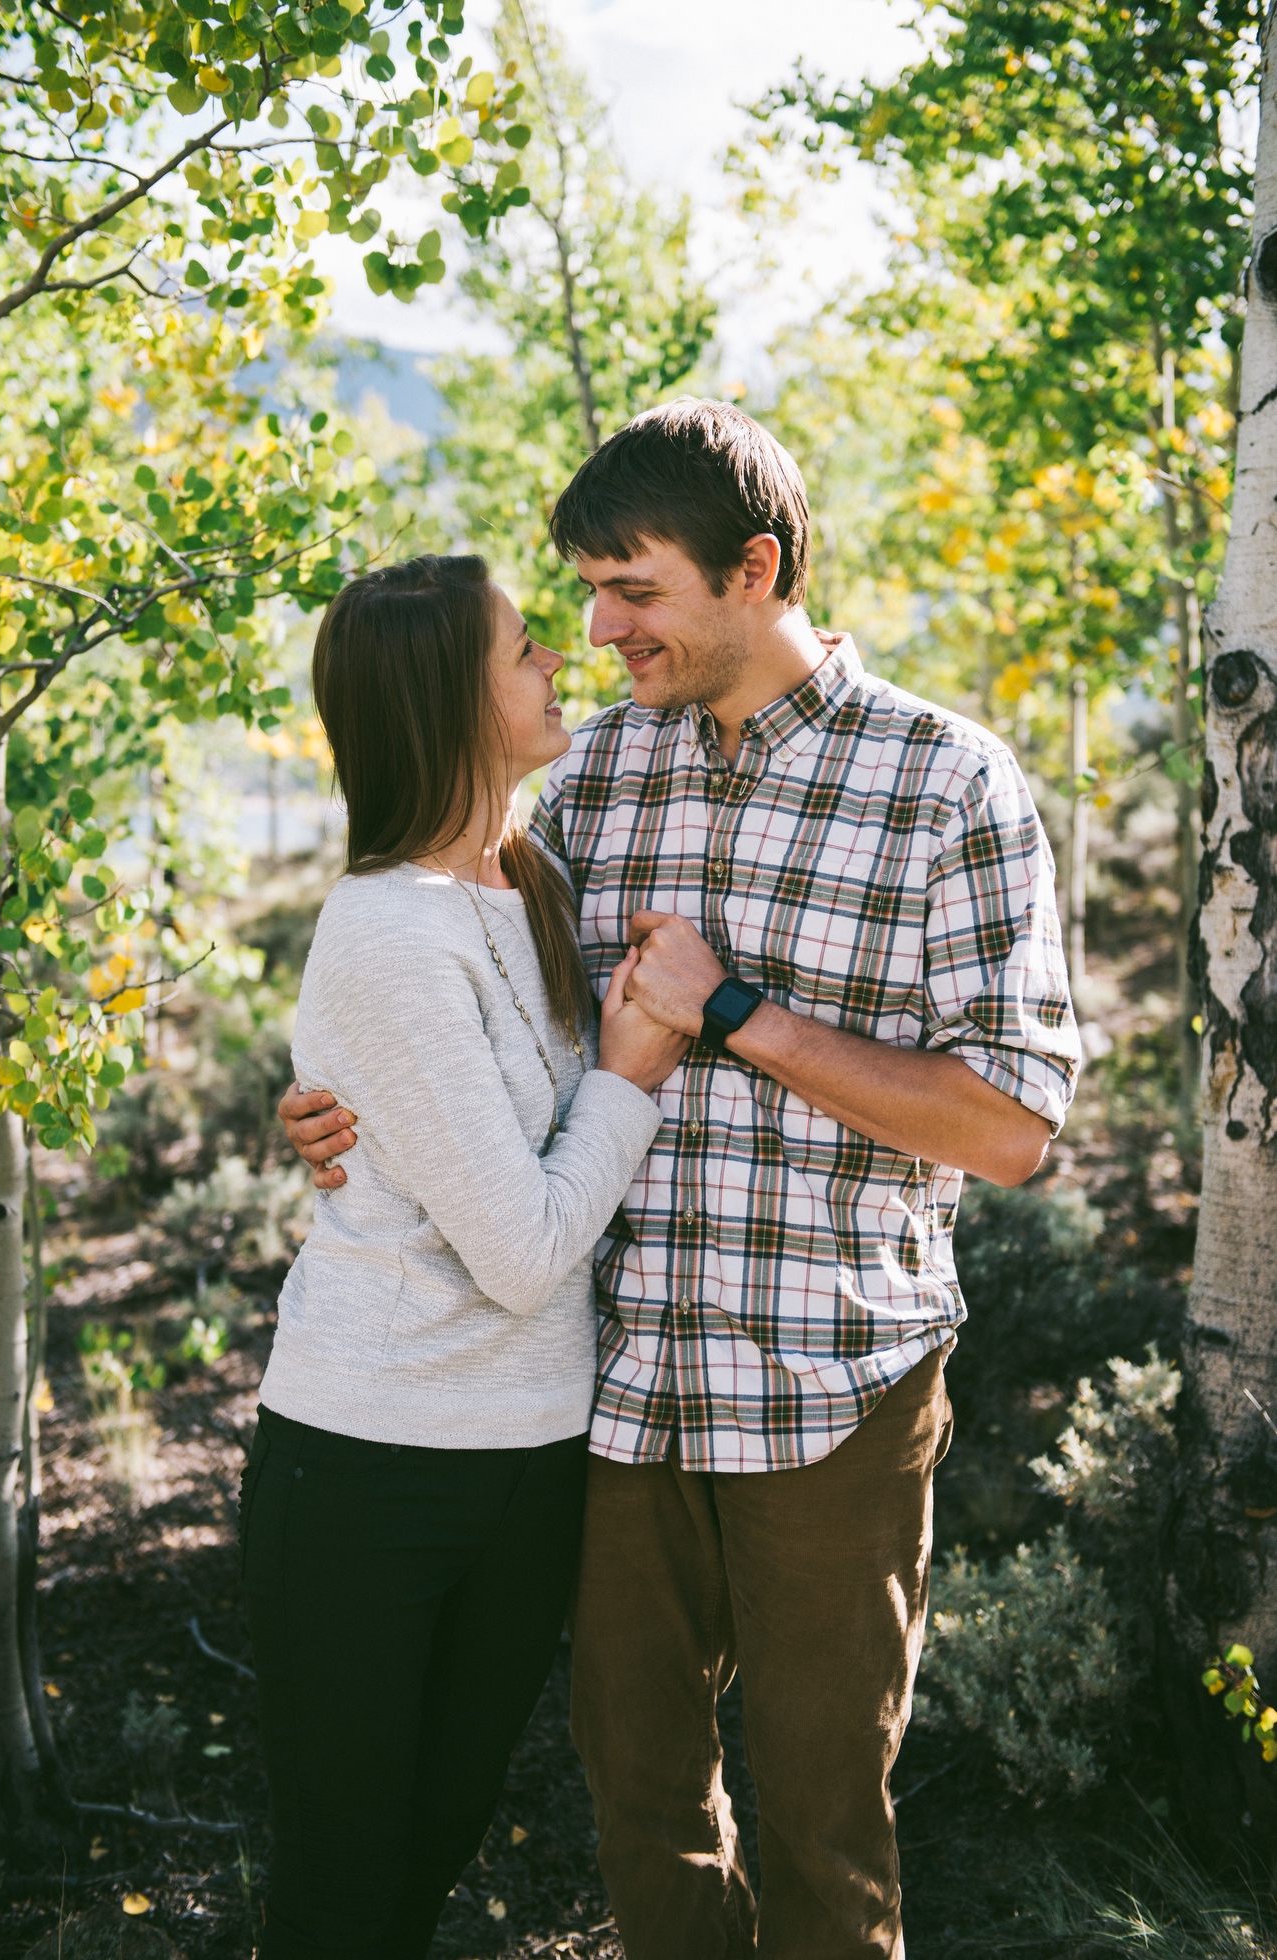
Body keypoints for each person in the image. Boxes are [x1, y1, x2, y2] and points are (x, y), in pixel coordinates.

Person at [280, 402, 1081, 1960]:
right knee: (642, 1806)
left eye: (632, 591)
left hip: (831, 1384)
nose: (597, 631)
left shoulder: (946, 785)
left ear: (754, 569)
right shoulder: (591, 786)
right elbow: (441, 990)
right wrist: (323, 1102)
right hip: (617, 1383)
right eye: (580, 595)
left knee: (826, 1823)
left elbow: (1009, 1130)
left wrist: (742, 1015)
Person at [243, 551, 687, 1960]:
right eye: (525, 649)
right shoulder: (387, 932)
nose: (560, 659)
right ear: (451, 702)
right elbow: (523, 1249)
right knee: (343, 1881)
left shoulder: (526, 875)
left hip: (531, 1454)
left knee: (434, 1841)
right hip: (371, 1465)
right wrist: (634, 1067)